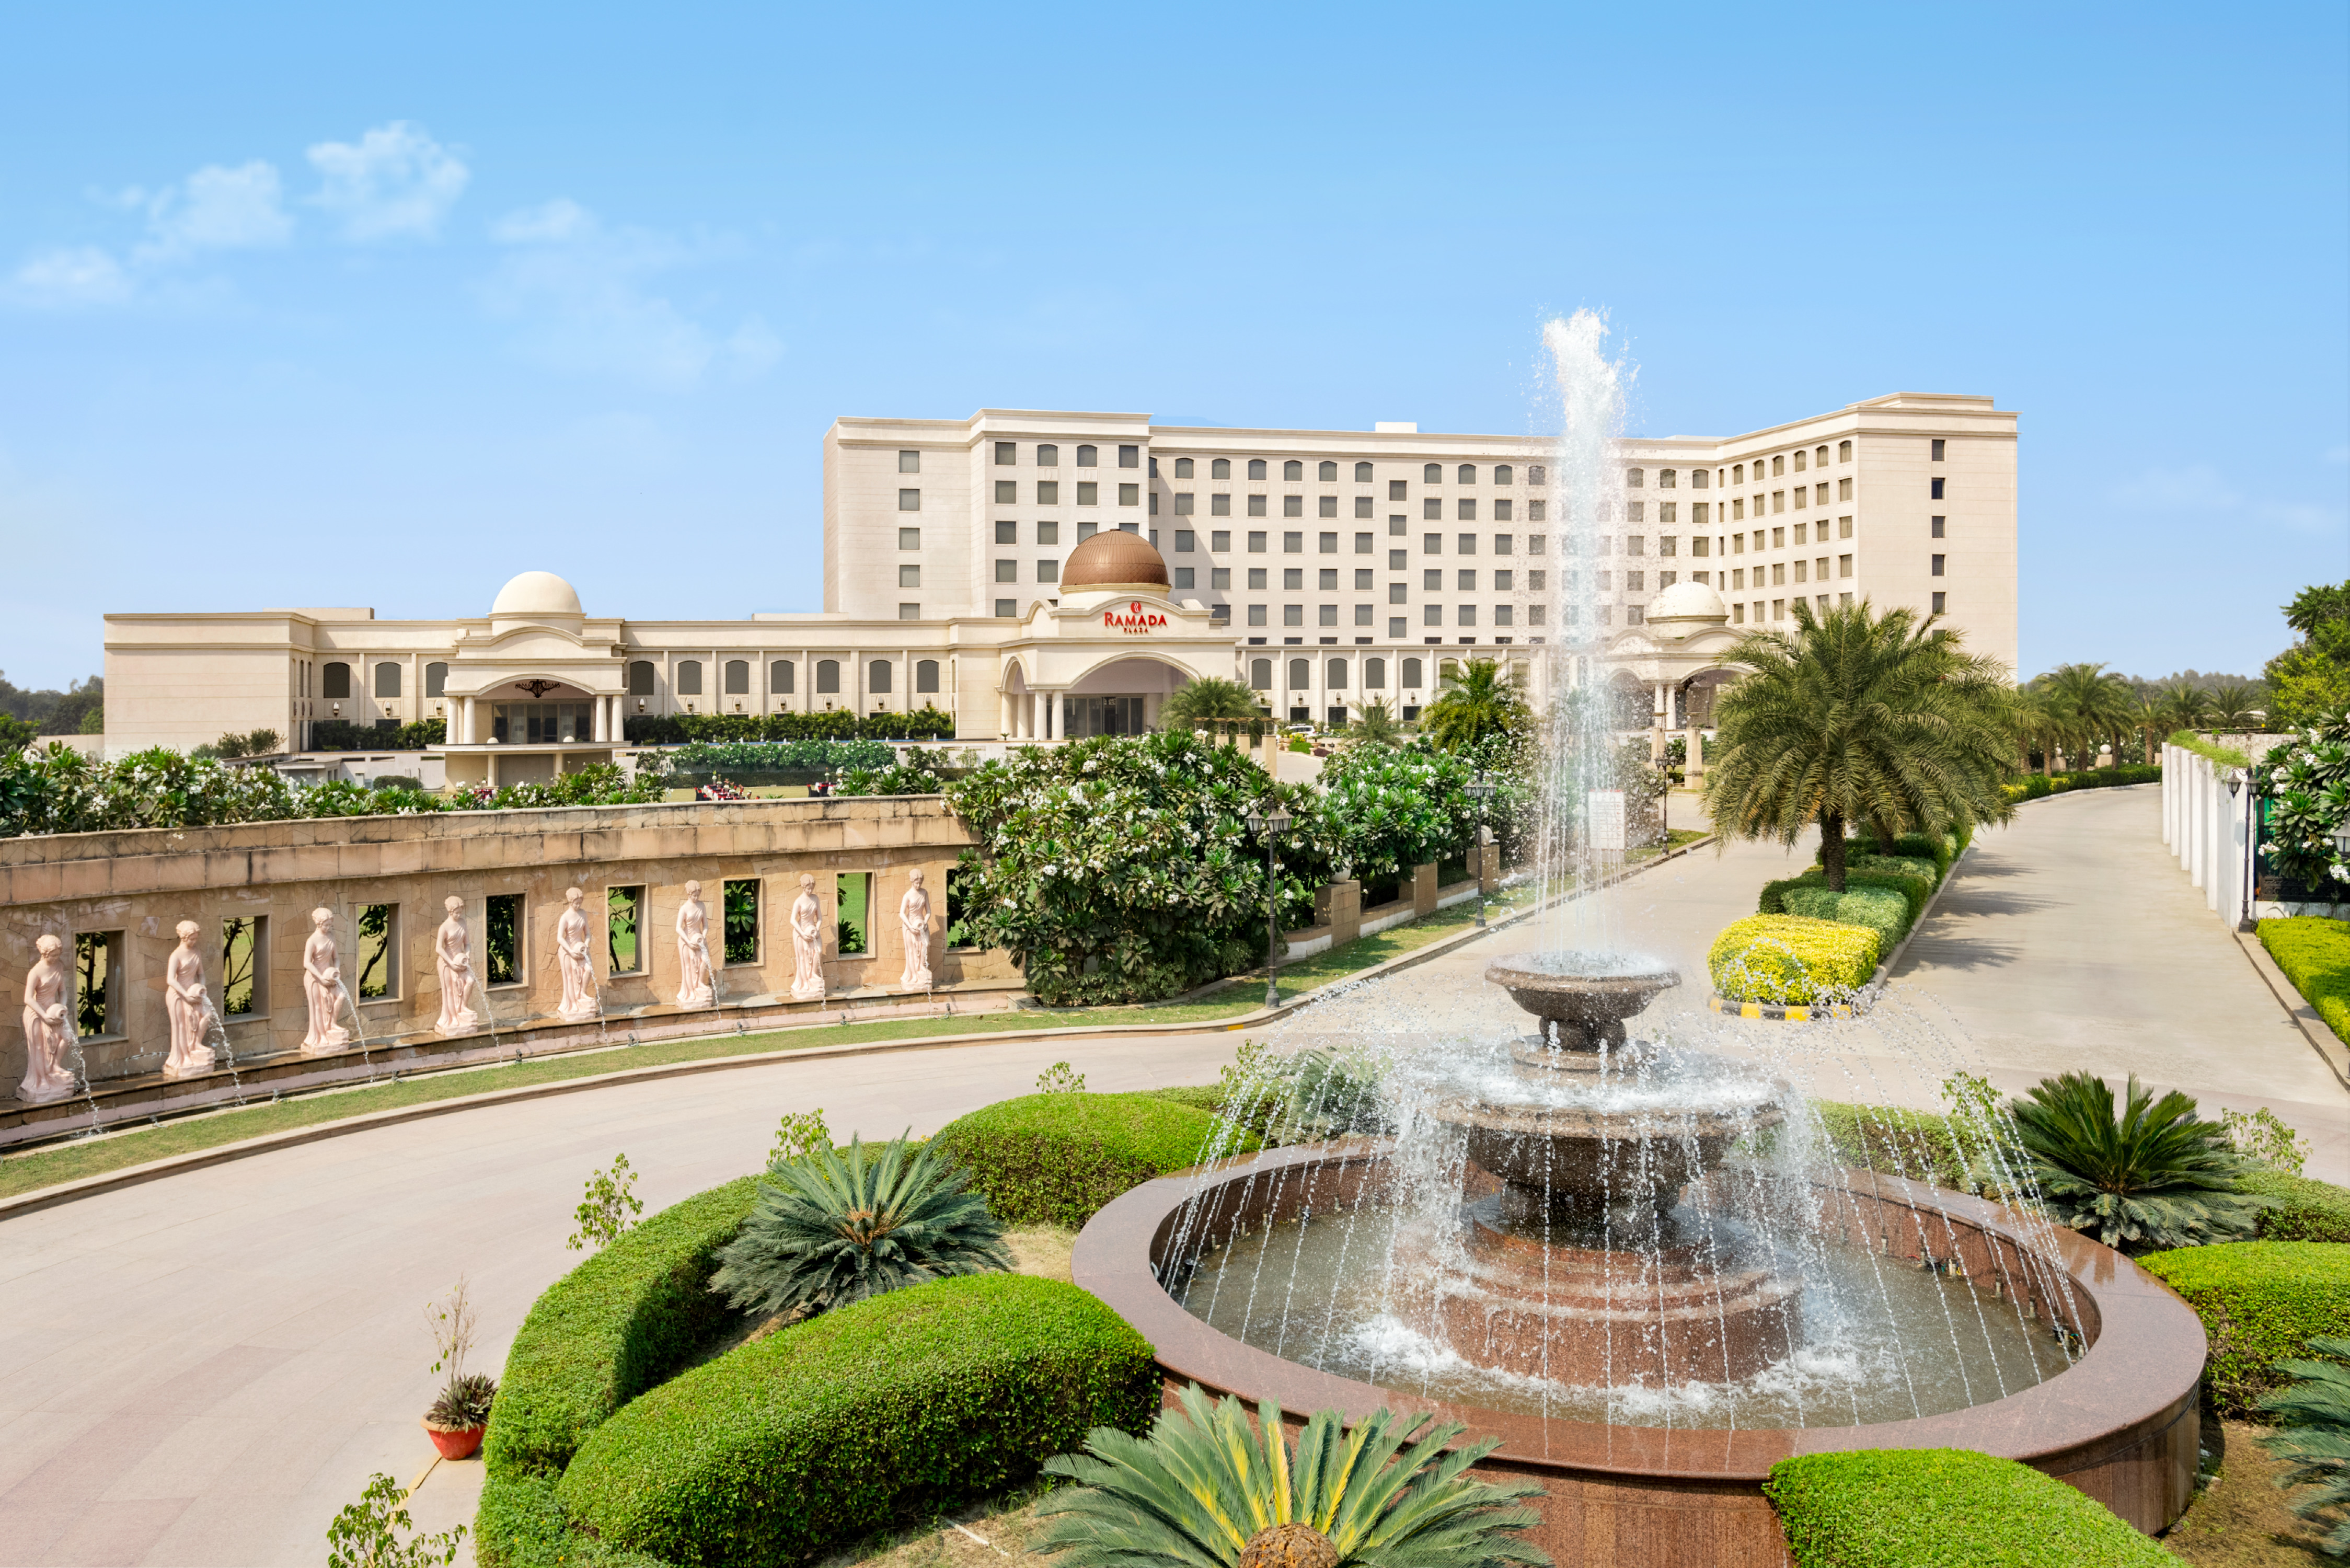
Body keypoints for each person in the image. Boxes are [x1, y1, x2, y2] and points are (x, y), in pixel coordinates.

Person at [16, 934, 75, 1104]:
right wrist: (44, 1016)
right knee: (39, 1047)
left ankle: (54, 1066)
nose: (56, 958)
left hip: (54, 1011)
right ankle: (41, 1080)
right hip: (36, 1013)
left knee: (68, 1037)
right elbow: (28, 998)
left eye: (58, 954)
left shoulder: (59, 966)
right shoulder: (35, 972)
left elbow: (62, 991)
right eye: (53, 955)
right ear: (45, 953)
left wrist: (63, 1007)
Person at [162, 920, 217, 1078]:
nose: (194, 942)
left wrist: (202, 989)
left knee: (207, 1014)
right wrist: (185, 995)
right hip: (178, 994)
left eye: (196, 939)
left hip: (194, 992)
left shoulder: (196, 952)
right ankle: (184, 1057)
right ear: (184, 937)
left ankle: (196, 1044)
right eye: (192, 939)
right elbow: (170, 980)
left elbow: (201, 974)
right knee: (181, 1026)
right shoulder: (176, 955)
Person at [300, 907, 351, 1054]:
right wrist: (320, 977)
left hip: (329, 974)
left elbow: (336, 958)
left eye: (330, 925)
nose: (329, 928)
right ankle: (322, 1036)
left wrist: (337, 971)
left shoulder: (331, 937)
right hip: (314, 977)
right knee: (318, 1006)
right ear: (319, 923)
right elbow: (307, 963)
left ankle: (332, 1024)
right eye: (326, 925)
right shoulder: (312, 940)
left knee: (341, 996)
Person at [434, 896, 481, 1035]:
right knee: (450, 990)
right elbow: (439, 948)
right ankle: (453, 1018)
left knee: (470, 981)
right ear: (450, 911)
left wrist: (467, 956)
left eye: (461, 912)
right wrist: (451, 963)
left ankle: (463, 1007)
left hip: (461, 960)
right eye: (457, 913)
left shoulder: (463, 923)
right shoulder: (444, 927)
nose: (459, 915)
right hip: (446, 962)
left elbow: (467, 944)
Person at [556, 886, 598, 1022]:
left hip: (581, 948)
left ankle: (582, 993)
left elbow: (587, 934)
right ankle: (573, 1003)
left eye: (580, 903)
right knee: (570, 977)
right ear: (571, 902)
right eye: (576, 903)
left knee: (588, 969)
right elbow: (560, 938)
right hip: (567, 951)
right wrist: (571, 952)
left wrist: (586, 945)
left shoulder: (583, 914)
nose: (578, 906)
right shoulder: (565, 917)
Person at [675, 881, 714, 1007]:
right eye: (694, 896)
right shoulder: (684, 908)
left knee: (705, 960)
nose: (697, 898)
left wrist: (704, 937)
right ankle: (691, 992)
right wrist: (688, 942)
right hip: (686, 940)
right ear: (689, 894)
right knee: (688, 967)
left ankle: (700, 983)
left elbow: (706, 925)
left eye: (698, 895)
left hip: (699, 939)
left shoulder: (702, 906)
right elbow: (678, 928)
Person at [789, 873, 825, 1001]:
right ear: (803, 887)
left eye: (812, 888)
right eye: (808, 888)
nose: (810, 891)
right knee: (803, 958)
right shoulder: (799, 901)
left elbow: (819, 918)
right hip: (801, 932)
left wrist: (818, 929)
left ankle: (813, 975)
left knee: (818, 951)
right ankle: (805, 983)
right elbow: (793, 920)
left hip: (813, 930)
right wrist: (802, 934)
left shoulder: (816, 899)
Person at [898, 870, 934, 991]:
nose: (918, 885)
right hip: (910, 926)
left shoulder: (924, 893)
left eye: (920, 883)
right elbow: (902, 914)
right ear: (912, 881)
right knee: (912, 950)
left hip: (922, 924)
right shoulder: (908, 895)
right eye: (916, 883)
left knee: (926, 945)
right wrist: (910, 926)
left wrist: (925, 922)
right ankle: (914, 975)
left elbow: (928, 911)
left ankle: (922, 968)